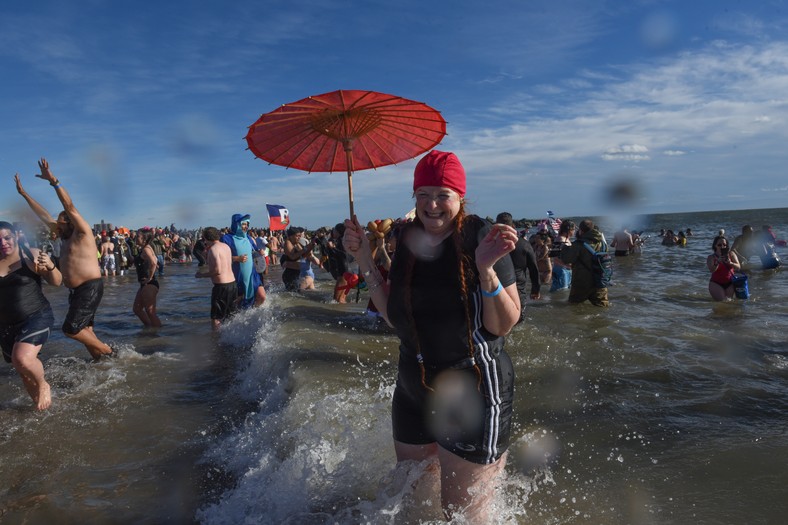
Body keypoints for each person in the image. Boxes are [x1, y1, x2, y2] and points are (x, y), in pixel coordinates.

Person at [343, 150, 520, 522]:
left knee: (461, 514)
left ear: (460, 196)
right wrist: (363, 259)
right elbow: (395, 318)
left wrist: (486, 269)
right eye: (422, 194)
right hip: (413, 385)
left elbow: (504, 324)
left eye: (442, 194)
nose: (432, 204)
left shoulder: (480, 235)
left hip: (471, 386)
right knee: (412, 503)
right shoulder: (407, 238)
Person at [15, 159, 114, 359]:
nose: (55, 228)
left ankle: (110, 353)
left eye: (59, 223)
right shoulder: (64, 234)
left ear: (69, 221)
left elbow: (68, 205)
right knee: (86, 331)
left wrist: (54, 181)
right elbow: (43, 215)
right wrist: (25, 195)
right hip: (77, 290)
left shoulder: (82, 232)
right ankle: (100, 362)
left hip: (90, 287)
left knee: (71, 329)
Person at [0, 221, 62, 410]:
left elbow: (57, 282)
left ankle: (44, 383)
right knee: (23, 370)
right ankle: (41, 412)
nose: (3, 243)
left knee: (23, 359)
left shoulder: (30, 255)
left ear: (16, 236)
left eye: (7, 237)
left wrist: (51, 266)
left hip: (36, 316)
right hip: (5, 326)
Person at [496, 212, 540, 319]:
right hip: (517, 288)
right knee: (518, 319)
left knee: (498, 319)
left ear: (496, 226)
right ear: (513, 226)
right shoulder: (524, 244)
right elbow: (534, 268)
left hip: (496, 288)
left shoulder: (491, 244)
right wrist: (535, 289)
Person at [560, 219, 610, 306]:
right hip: (600, 280)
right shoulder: (602, 242)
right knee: (602, 309)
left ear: (581, 230)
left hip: (582, 282)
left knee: (573, 307)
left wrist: (564, 248)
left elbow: (566, 259)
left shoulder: (578, 244)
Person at [220, 214, 266, 309]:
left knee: (262, 296)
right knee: (237, 303)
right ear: (236, 224)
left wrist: (259, 252)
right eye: (243, 224)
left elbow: (254, 251)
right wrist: (236, 259)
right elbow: (221, 258)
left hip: (252, 274)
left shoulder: (248, 238)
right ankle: (240, 319)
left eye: (247, 224)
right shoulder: (226, 238)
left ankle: (253, 314)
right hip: (237, 275)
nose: (246, 226)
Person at [195, 227, 237, 330]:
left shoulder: (213, 249)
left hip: (221, 287)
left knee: (216, 318)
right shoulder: (225, 246)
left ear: (206, 238)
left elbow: (217, 271)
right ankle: (232, 338)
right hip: (232, 284)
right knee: (230, 315)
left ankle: (216, 342)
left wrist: (201, 275)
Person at [132, 228, 162, 327]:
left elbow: (154, 262)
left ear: (145, 239)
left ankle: (158, 334)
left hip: (149, 283)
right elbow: (155, 261)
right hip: (144, 284)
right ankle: (149, 327)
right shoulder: (146, 248)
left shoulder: (146, 249)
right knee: (137, 309)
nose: (136, 238)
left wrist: (150, 277)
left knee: (150, 312)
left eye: (138, 236)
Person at [707, 235, 741, 301]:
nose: (722, 246)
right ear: (715, 246)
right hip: (716, 283)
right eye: (719, 245)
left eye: (724, 244)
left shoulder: (731, 254)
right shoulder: (711, 257)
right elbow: (712, 270)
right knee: (722, 301)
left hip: (730, 283)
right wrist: (717, 262)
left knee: (728, 301)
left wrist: (730, 263)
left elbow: (739, 267)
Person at [325, 223, 350, 303]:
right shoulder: (343, 240)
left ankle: (342, 315)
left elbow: (344, 255)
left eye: (334, 230)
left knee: (337, 300)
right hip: (345, 272)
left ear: (338, 231)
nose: (333, 232)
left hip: (343, 273)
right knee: (341, 300)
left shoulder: (342, 240)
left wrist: (333, 248)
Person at [550, 220, 575, 291]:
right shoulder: (560, 239)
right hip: (561, 270)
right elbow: (556, 257)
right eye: (573, 229)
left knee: (564, 290)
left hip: (565, 269)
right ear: (569, 230)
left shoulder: (566, 239)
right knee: (560, 291)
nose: (574, 232)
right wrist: (569, 265)